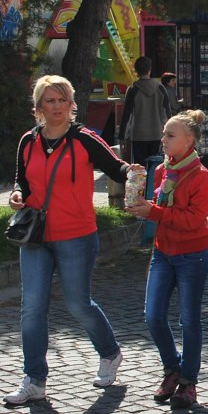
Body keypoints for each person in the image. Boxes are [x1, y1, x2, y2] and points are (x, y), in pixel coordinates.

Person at [5, 75, 135, 405]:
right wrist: (18, 194)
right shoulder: (28, 141)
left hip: (76, 235)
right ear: (38, 106)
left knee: (78, 303)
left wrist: (133, 173)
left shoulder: (84, 139)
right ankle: (34, 379)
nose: (57, 106)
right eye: (50, 100)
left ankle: (110, 352)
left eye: (62, 100)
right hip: (35, 236)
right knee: (32, 307)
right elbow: (22, 180)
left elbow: (116, 168)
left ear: (71, 104)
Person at [126, 110, 208, 408]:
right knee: (152, 315)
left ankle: (188, 381)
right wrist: (139, 198)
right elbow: (160, 207)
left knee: (189, 321)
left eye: (170, 135)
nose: (163, 139)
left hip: (192, 255)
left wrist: (153, 211)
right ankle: (172, 368)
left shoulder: (201, 175)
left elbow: (194, 219)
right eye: (164, 134)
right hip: (163, 252)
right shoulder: (164, 170)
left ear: (189, 140)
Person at [119, 56, 171, 164]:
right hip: (158, 135)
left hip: (138, 136)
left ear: (136, 71)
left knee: (140, 168)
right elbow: (167, 114)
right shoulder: (160, 88)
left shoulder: (133, 90)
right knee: (156, 167)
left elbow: (127, 115)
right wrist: (170, 134)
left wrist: (122, 137)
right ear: (150, 69)